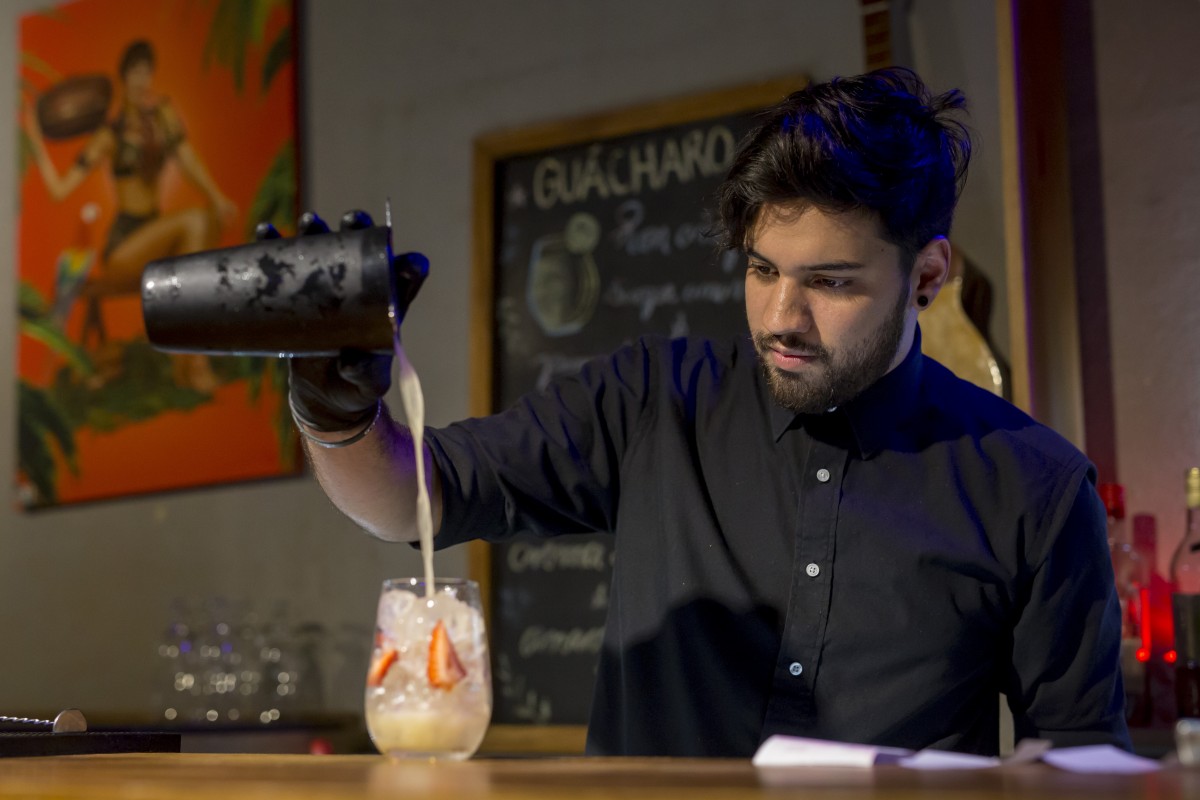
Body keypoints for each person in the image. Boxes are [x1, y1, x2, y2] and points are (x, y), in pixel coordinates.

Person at [287, 68, 1130, 757]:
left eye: (830, 282)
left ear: (927, 276)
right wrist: (334, 410)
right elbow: (413, 500)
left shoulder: (1038, 489)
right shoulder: (652, 398)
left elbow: (1076, 763)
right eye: (763, 271)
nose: (780, 318)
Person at [24, 39, 236, 389]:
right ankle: (194, 361)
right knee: (196, 221)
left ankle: (186, 357)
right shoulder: (111, 134)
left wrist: (217, 197)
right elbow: (59, 190)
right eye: (134, 72)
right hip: (125, 246)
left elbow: (186, 157)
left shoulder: (164, 116)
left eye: (146, 71)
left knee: (204, 223)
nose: (142, 80)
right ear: (123, 78)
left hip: (158, 234)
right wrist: (35, 139)